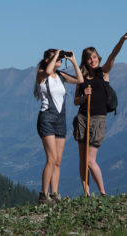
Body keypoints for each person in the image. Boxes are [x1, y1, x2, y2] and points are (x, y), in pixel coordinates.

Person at [73, 29, 127, 196]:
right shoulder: (81, 79)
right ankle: (86, 192)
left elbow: (113, 55)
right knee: (83, 160)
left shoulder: (104, 73)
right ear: (85, 61)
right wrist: (84, 98)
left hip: (98, 119)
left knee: (91, 161)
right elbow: (75, 101)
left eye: (94, 57)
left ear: (98, 58)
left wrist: (122, 40)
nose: (92, 60)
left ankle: (103, 193)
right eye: (88, 58)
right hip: (83, 117)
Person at [34, 49, 83, 204]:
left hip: (60, 120)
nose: (59, 60)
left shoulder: (61, 76)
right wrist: (56, 54)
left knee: (58, 160)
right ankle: (44, 194)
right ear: (48, 60)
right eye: (55, 58)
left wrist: (74, 61)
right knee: (51, 158)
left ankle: (55, 194)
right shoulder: (42, 74)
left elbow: (80, 80)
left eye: (60, 58)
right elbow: (48, 71)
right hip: (47, 118)